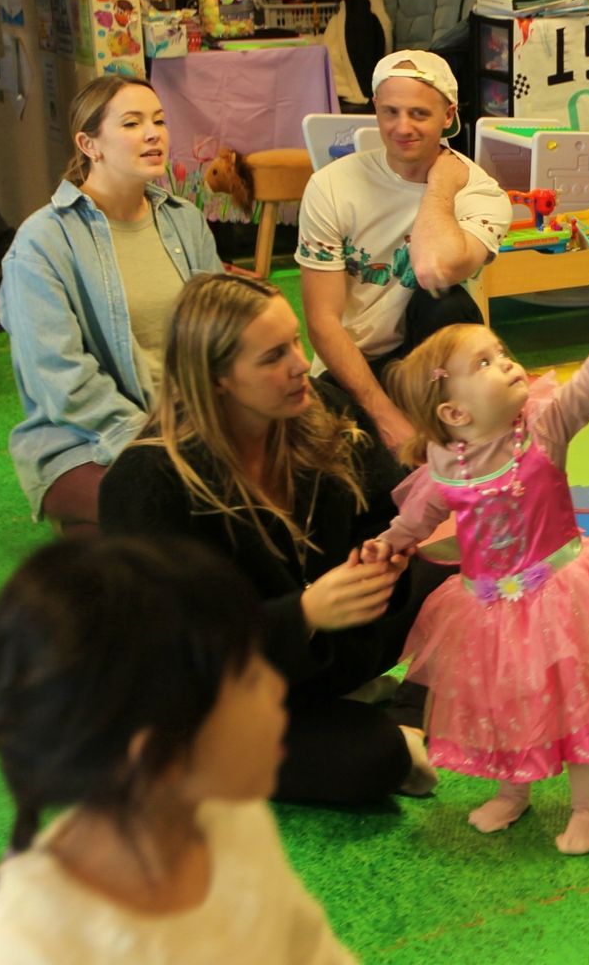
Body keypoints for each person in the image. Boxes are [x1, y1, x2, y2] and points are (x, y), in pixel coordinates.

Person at [100, 272, 435, 808]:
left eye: (297, 341)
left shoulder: (321, 409)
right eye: (273, 356)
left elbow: (381, 514)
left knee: (476, 577)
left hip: (326, 651)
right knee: (373, 760)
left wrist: (384, 556)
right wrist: (302, 614)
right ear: (216, 380)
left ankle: (373, 702)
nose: (301, 364)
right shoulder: (146, 486)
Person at [359, 270, 589, 856]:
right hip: (487, 608)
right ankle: (513, 791)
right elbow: (416, 519)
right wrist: (389, 544)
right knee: (506, 704)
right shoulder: (446, 465)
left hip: (564, 593)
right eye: (485, 364)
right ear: (454, 414)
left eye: (502, 354)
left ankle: (587, 806)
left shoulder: (546, 429)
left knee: (577, 707)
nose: (506, 363)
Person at [0, 537, 354, 963]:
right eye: (249, 678)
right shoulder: (28, 947)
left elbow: (311, 951)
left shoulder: (235, 820)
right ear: (159, 752)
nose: (276, 687)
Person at [1, 74, 222, 539]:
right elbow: (61, 379)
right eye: (131, 123)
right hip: (84, 441)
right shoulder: (41, 242)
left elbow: (223, 332)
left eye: (159, 121)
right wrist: (154, 447)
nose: (153, 133)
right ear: (89, 144)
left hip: (193, 427)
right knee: (172, 509)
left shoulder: (186, 222)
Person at [297, 50, 512, 452]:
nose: (402, 127)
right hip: (351, 367)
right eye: (390, 112)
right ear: (375, 108)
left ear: (448, 116)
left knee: (444, 303)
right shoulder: (331, 186)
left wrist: (440, 186)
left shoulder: (478, 191)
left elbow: (434, 268)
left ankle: (462, 438)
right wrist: (385, 416)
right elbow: (322, 321)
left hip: (431, 364)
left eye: (418, 114)